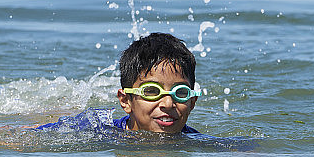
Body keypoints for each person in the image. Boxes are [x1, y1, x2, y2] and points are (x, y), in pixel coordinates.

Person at [35, 32, 200, 134]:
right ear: (125, 101)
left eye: (180, 92)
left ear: (192, 102)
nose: (168, 103)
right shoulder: (95, 129)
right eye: (151, 91)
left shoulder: (196, 141)